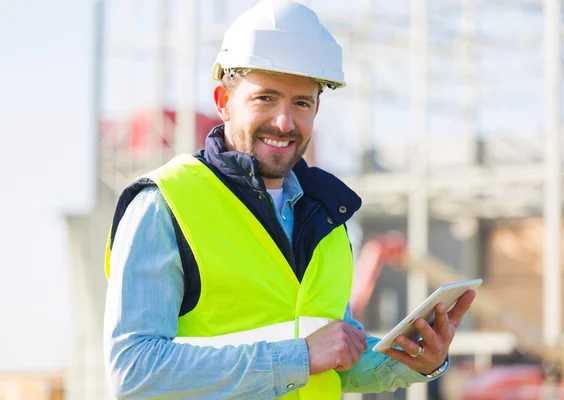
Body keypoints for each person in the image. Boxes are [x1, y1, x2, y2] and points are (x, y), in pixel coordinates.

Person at [103, 1, 476, 399]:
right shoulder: (165, 204)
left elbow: (333, 362)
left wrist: (412, 359)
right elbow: (134, 371)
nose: (284, 122)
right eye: (265, 98)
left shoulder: (327, 217)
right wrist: (299, 358)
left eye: (301, 102)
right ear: (223, 101)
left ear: (317, 107)